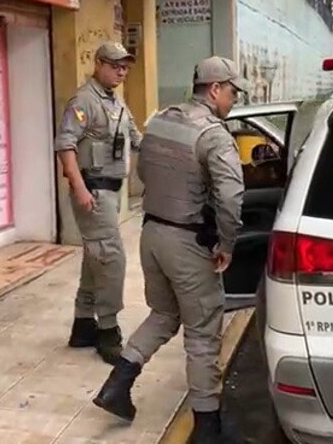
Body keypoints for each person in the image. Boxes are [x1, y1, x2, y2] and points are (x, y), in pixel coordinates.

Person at [92, 56, 246, 443]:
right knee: (202, 335)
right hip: (188, 243)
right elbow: (231, 196)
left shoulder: (161, 120)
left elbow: (142, 172)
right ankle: (208, 429)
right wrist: (226, 243)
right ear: (214, 89)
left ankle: (117, 385)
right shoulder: (214, 135)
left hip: (152, 235)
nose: (233, 100)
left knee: (163, 314)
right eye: (231, 92)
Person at [54, 41, 143, 364]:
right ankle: (107, 329)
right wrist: (78, 187)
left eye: (125, 67)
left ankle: (82, 324)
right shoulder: (83, 101)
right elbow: (65, 145)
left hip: (110, 191)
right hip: (92, 190)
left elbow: (136, 138)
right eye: (116, 65)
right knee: (111, 258)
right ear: (99, 64)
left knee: (97, 256)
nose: (121, 71)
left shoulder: (116, 102)